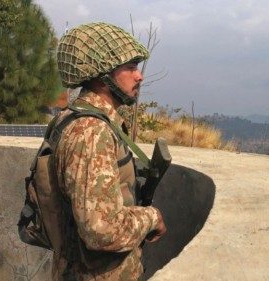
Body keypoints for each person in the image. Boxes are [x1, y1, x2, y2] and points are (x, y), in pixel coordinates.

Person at [52, 22, 166, 280]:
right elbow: (101, 230)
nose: (140, 76)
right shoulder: (92, 133)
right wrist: (152, 217)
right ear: (102, 76)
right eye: (131, 68)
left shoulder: (78, 118)